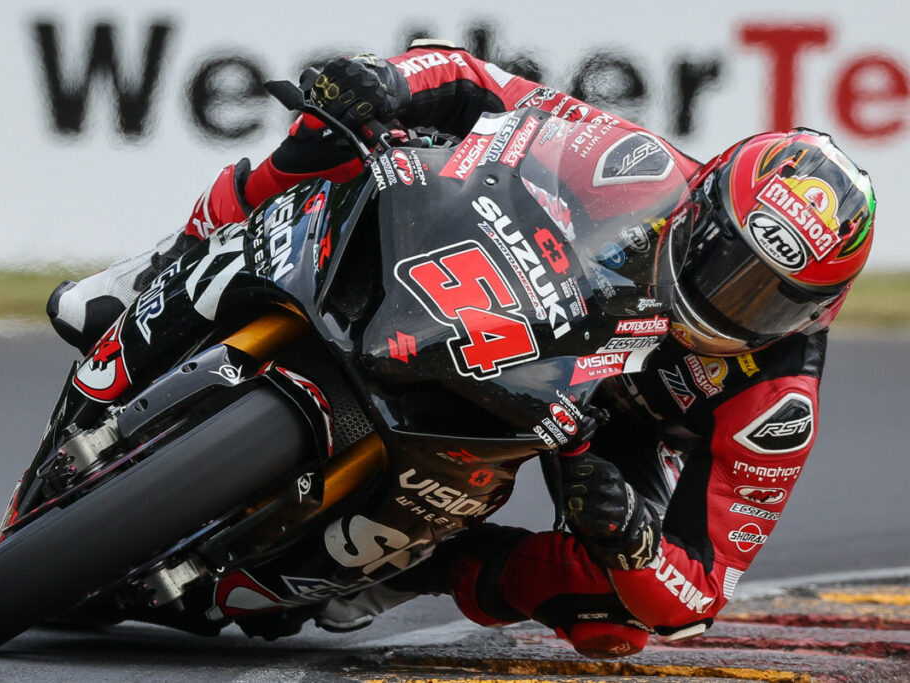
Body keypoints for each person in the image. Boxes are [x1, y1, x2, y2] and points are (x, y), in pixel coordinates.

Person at [47, 41, 876, 659]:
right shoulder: (636, 166)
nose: (729, 294)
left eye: (765, 296)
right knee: (336, 131)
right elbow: (479, 85)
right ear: (704, 204)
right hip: (515, 311)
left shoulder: (779, 399)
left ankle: (416, 568)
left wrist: (631, 539)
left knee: (617, 625)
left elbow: (700, 588)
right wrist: (387, 85)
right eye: (724, 259)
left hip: (606, 431)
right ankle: (169, 257)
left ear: (816, 309)